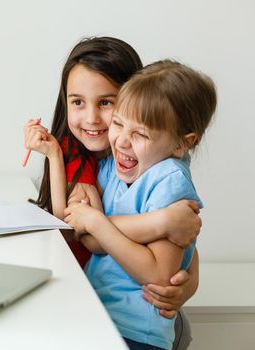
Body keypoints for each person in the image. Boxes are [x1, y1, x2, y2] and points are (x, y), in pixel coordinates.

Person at [23, 37, 200, 349]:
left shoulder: (155, 163)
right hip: (91, 307)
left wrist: (190, 282)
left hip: (135, 320)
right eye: (78, 102)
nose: (92, 118)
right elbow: (78, 230)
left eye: (106, 103)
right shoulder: (84, 162)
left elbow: (183, 244)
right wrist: (161, 222)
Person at [64, 60, 216, 349]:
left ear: (181, 143)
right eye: (119, 123)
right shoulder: (112, 166)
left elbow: (160, 275)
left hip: (136, 330)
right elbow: (90, 239)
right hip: (100, 314)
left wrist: (95, 221)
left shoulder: (169, 179)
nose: (121, 140)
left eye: (140, 134)